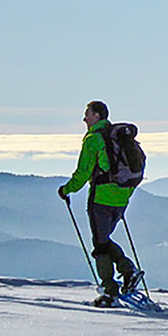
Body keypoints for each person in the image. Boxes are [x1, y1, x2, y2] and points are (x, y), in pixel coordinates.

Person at [58, 100, 143, 307]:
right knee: (104, 239)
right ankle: (127, 270)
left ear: (97, 116)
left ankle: (109, 291)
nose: (84, 118)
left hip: (101, 198)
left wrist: (65, 190)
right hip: (122, 198)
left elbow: (83, 173)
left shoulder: (94, 139)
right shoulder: (120, 139)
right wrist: (125, 193)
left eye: (87, 113)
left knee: (100, 245)